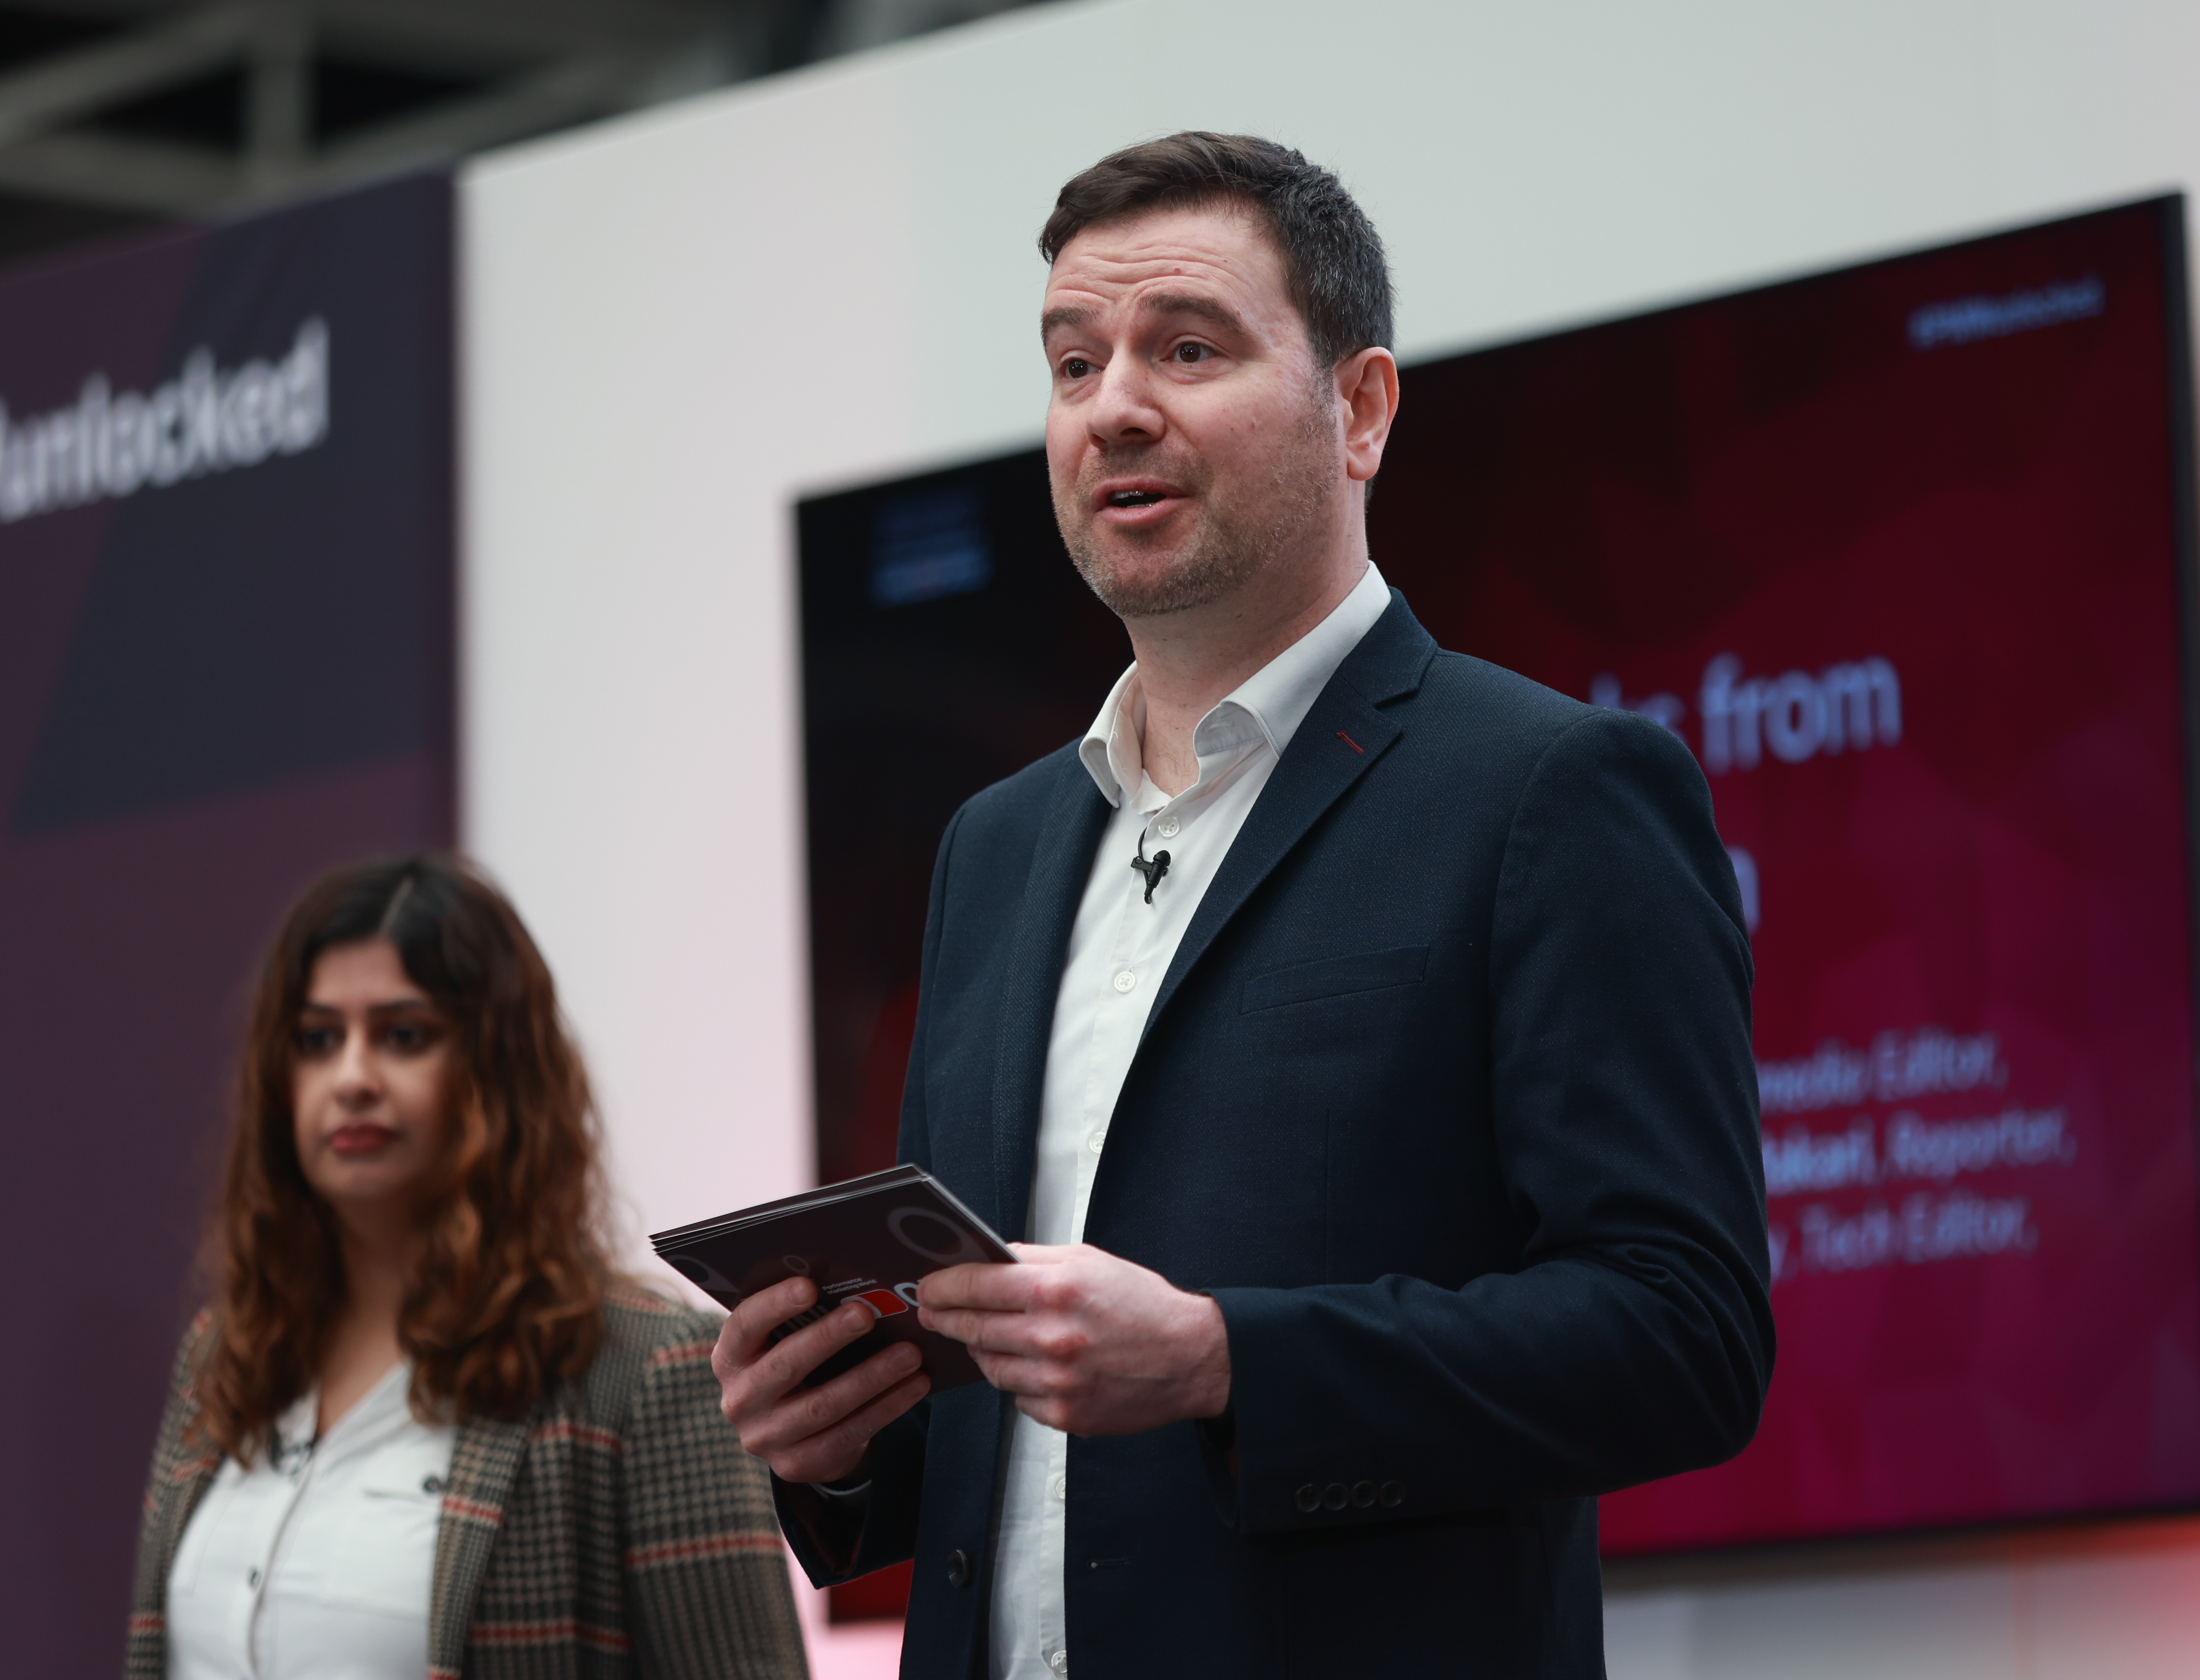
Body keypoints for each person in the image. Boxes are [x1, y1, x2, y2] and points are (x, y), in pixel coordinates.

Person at [715, 133, 1773, 1679]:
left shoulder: (1550, 788)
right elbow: (1005, 1439)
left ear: (1362, 409)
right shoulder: (994, 848)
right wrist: (835, 1440)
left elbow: (1683, 1336)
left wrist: (1227, 1360)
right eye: (1074, 363)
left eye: (1188, 349)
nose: (1114, 406)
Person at [127, 855, 807, 1680]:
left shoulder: (644, 1372)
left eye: (403, 1035)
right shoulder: (224, 1356)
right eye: (317, 1040)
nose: (351, 1078)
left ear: (498, 1070)